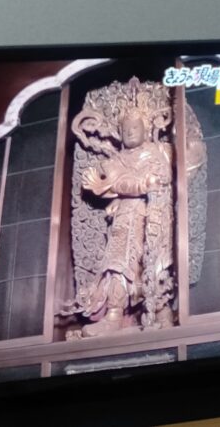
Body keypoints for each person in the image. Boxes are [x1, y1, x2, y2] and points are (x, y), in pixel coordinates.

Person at [78, 108, 174, 337]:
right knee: (117, 263)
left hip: (154, 216)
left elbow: (160, 179)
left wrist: (116, 185)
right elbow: (117, 183)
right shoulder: (115, 161)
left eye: (135, 127)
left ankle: (162, 311)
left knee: (156, 264)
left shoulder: (159, 151)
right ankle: (114, 314)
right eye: (125, 129)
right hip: (124, 219)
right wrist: (132, 185)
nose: (130, 132)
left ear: (146, 129)